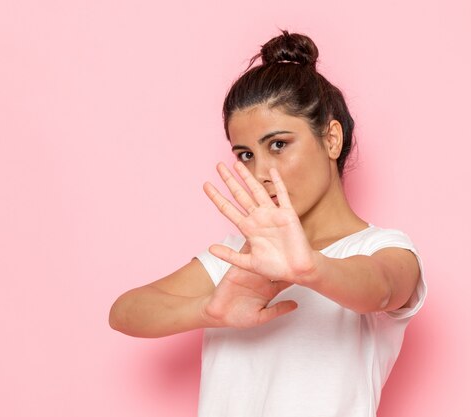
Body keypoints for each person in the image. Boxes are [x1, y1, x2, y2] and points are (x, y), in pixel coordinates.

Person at [109, 30, 427, 417]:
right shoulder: (243, 257)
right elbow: (126, 311)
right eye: (245, 154)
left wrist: (310, 268)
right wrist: (208, 310)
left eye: (278, 144)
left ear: (331, 139)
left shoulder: (382, 248)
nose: (259, 171)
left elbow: (379, 290)